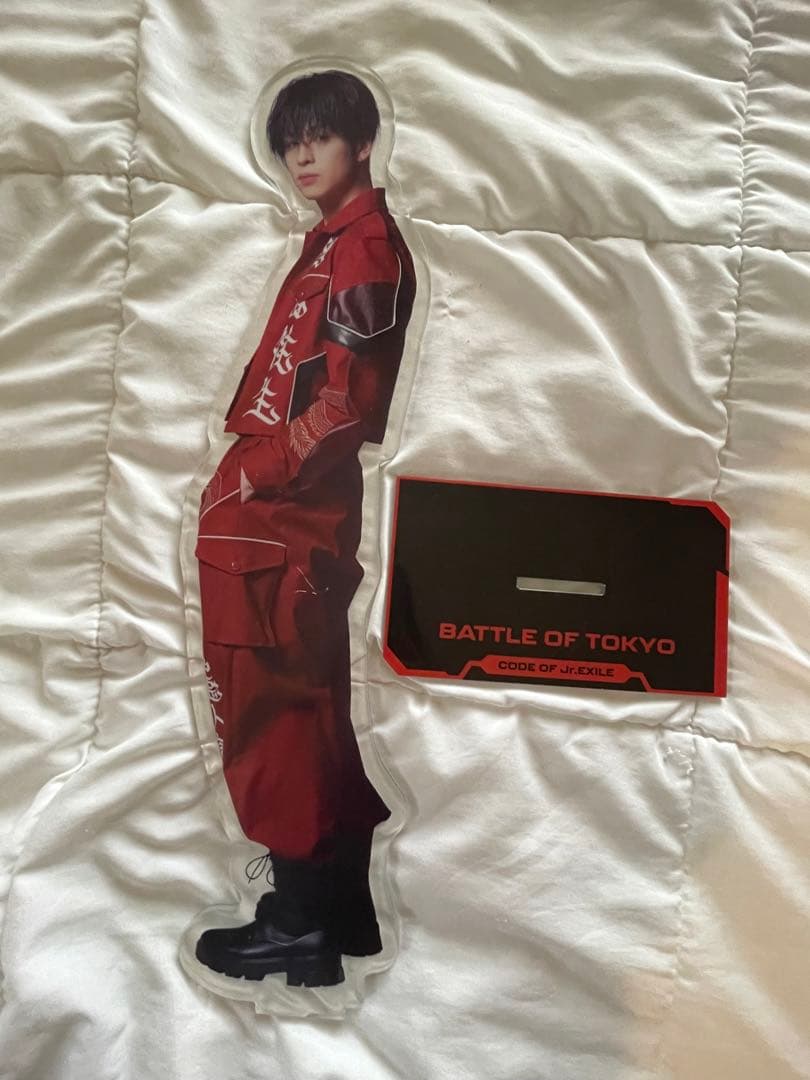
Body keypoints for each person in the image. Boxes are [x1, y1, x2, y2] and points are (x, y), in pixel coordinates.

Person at [193, 69, 416, 989]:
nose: (300, 156)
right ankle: (343, 915)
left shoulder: (363, 248)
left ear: (361, 141)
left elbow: (345, 408)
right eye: (289, 142)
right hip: (277, 520)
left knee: (272, 717)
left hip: (281, 521)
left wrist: (254, 474)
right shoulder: (336, 243)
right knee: (309, 715)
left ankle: (295, 925)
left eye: (318, 136)